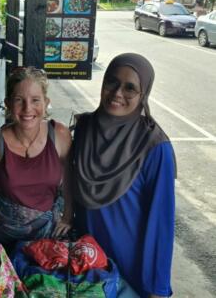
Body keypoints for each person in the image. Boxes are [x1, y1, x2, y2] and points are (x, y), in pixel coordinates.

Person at [72, 53, 176, 298]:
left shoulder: (154, 147)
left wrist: (156, 289)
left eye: (130, 88)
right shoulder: (85, 129)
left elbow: (161, 224)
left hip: (130, 270)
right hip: (87, 264)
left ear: (143, 95)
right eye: (112, 82)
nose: (117, 93)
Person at [0, 67, 73, 297]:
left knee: (43, 289)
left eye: (35, 100)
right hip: (5, 234)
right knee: (4, 289)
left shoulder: (60, 135)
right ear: (7, 103)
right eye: (19, 100)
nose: (27, 109)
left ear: (46, 102)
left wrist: (68, 213)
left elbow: (71, 176)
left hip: (48, 234)